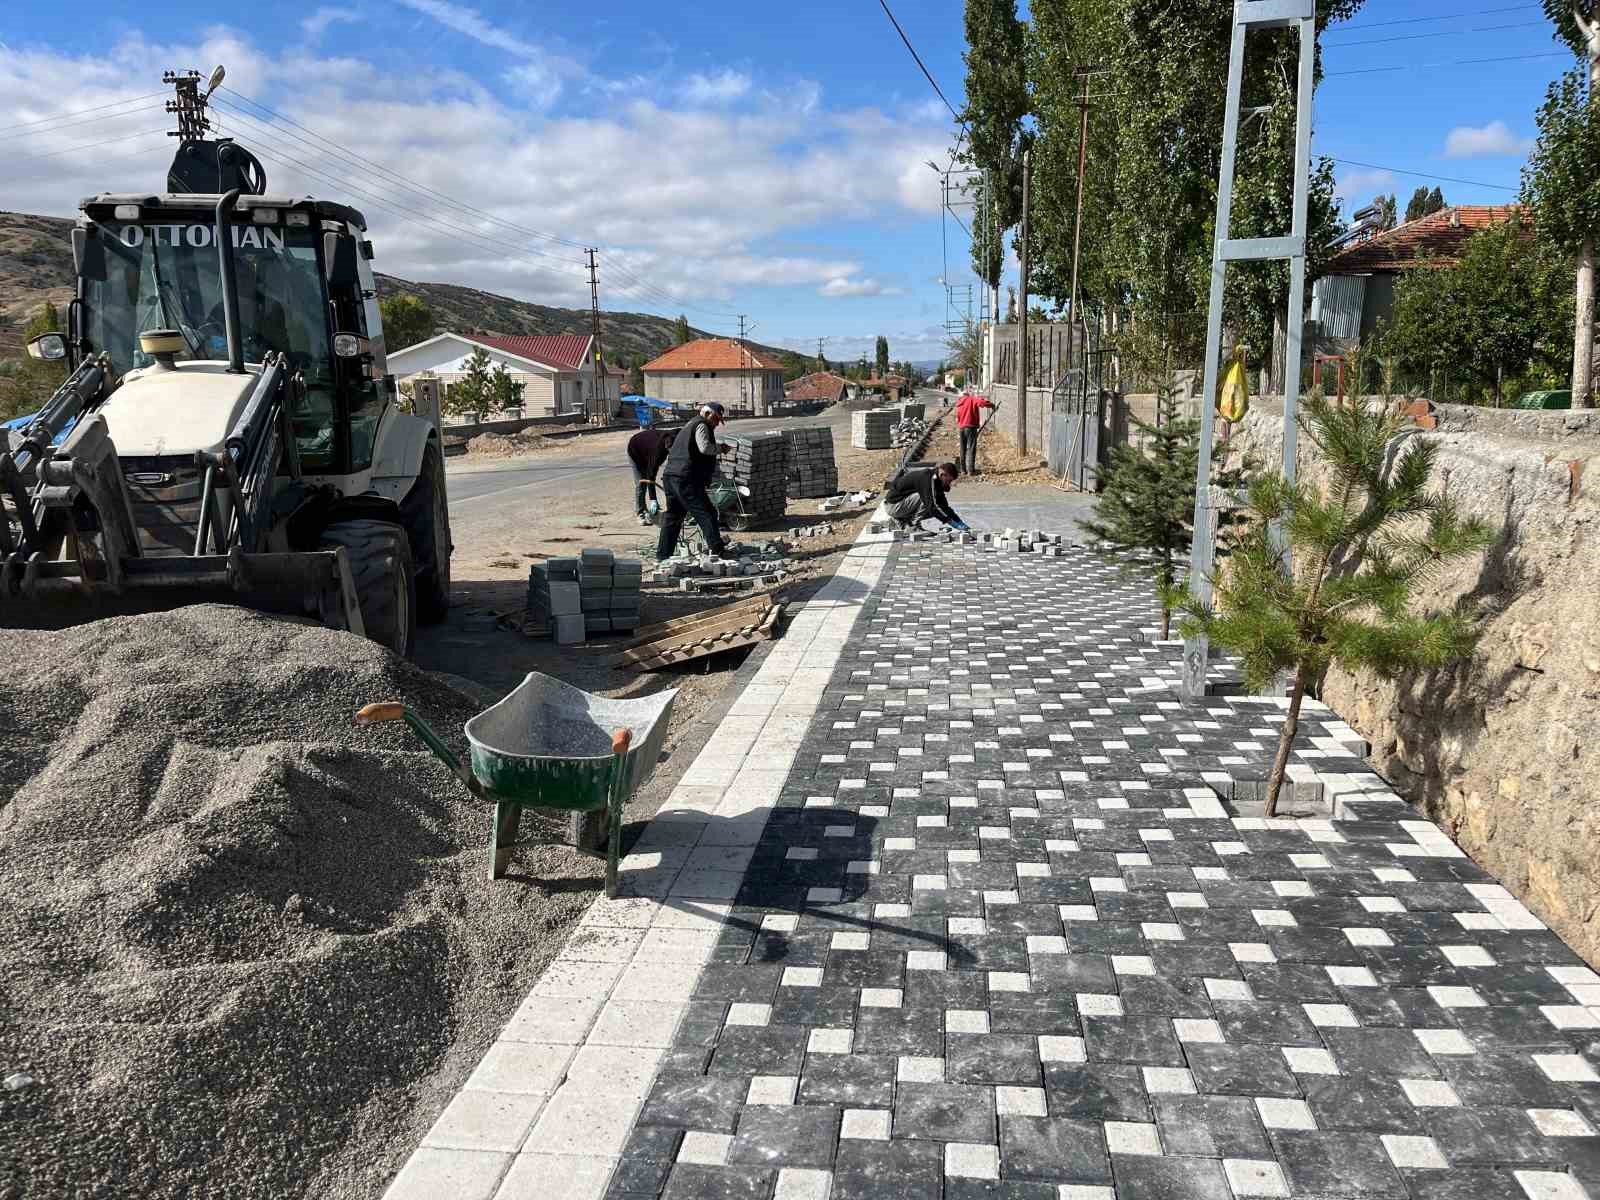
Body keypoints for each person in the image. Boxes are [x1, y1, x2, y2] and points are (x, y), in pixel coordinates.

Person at [656, 402, 734, 559]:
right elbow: (704, 447)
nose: (717, 424)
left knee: (673, 517)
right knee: (707, 512)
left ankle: (663, 556)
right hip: (685, 478)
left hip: (671, 476)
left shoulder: (690, 424)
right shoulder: (701, 425)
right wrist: (721, 448)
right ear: (707, 414)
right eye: (716, 419)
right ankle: (718, 551)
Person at [885, 461, 969, 532]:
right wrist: (951, 522)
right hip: (893, 506)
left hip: (901, 505)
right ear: (943, 474)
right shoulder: (927, 479)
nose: (949, 483)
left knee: (938, 508)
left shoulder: (937, 481)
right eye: (949, 480)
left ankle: (902, 520)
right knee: (927, 500)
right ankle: (913, 526)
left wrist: (959, 522)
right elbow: (932, 506)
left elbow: (944, 506)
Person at [627, 426, 676, 524]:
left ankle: (645, 511)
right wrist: (653, 499)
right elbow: (650, 476)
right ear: (666, 447)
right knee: (641, 483)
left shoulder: (677, 436)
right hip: (635, 450)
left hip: (646, 448)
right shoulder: (658, 452)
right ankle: (640, 513)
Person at [955, 390, 996, 476]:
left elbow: (958, 418)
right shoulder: (972, 399)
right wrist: (992, 405)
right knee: (971, 448)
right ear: (968, 395)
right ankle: (971, 470)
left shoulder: (959, 403)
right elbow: (982, 402)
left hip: (961, 428)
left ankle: (963, 470)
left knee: (963, 449)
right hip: (971, 427)